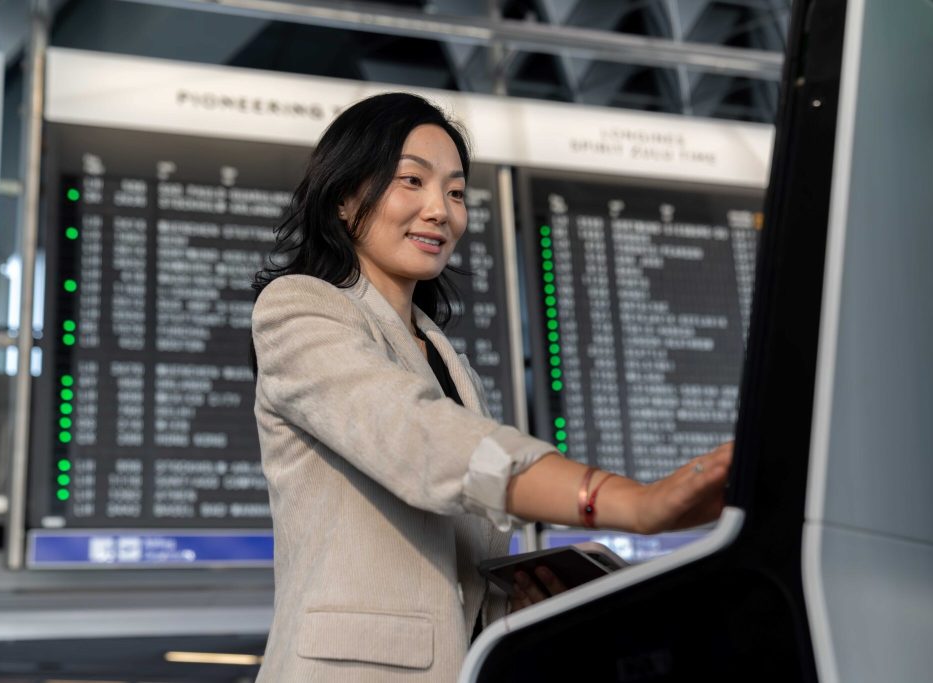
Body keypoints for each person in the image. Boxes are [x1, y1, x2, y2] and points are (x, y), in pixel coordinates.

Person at [249, 92, 732, 682]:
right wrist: (630, 503)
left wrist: (512, 607)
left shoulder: (452, 368)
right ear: (346, 199)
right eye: (412, 181)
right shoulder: (299, 307)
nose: (439, 211)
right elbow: (421, 441)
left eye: (455, 193)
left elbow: (454, 568)